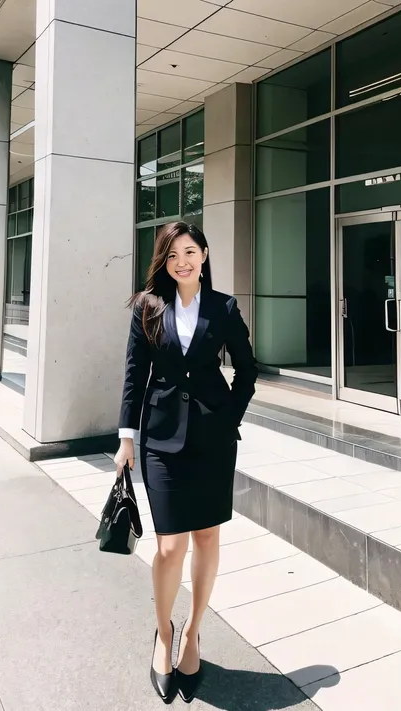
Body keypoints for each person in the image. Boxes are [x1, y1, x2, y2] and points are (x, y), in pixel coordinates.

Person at [114, 221, 258, 704]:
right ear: (164, 260)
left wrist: (228, 418)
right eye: (173, 254)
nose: (182, 261)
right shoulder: (148, 307)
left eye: (190, 251)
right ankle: (163, 631)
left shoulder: (224, 307)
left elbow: (248, 368)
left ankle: (193, 633)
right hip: (159, 439)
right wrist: (126, 438)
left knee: (208, 537)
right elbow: (135, 374)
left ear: (205, 254)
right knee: (170, 546)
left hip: (212, 441)